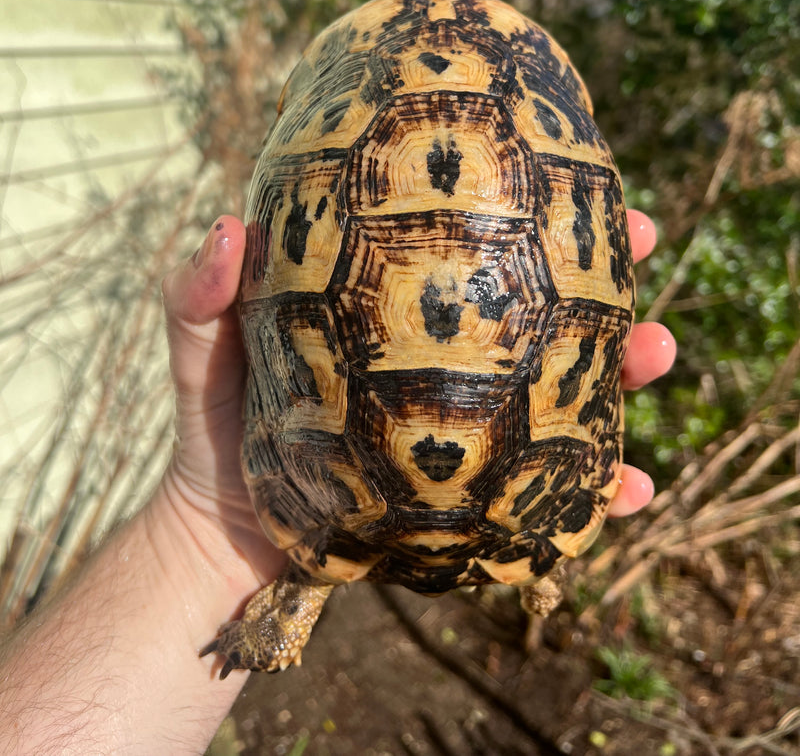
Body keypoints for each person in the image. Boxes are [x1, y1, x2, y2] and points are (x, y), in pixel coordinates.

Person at [0, 211, 675, 756]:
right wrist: (542, 542)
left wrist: (231, 535)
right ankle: (536, 559)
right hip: (514, 512)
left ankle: (329, 575)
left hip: (340, 499)